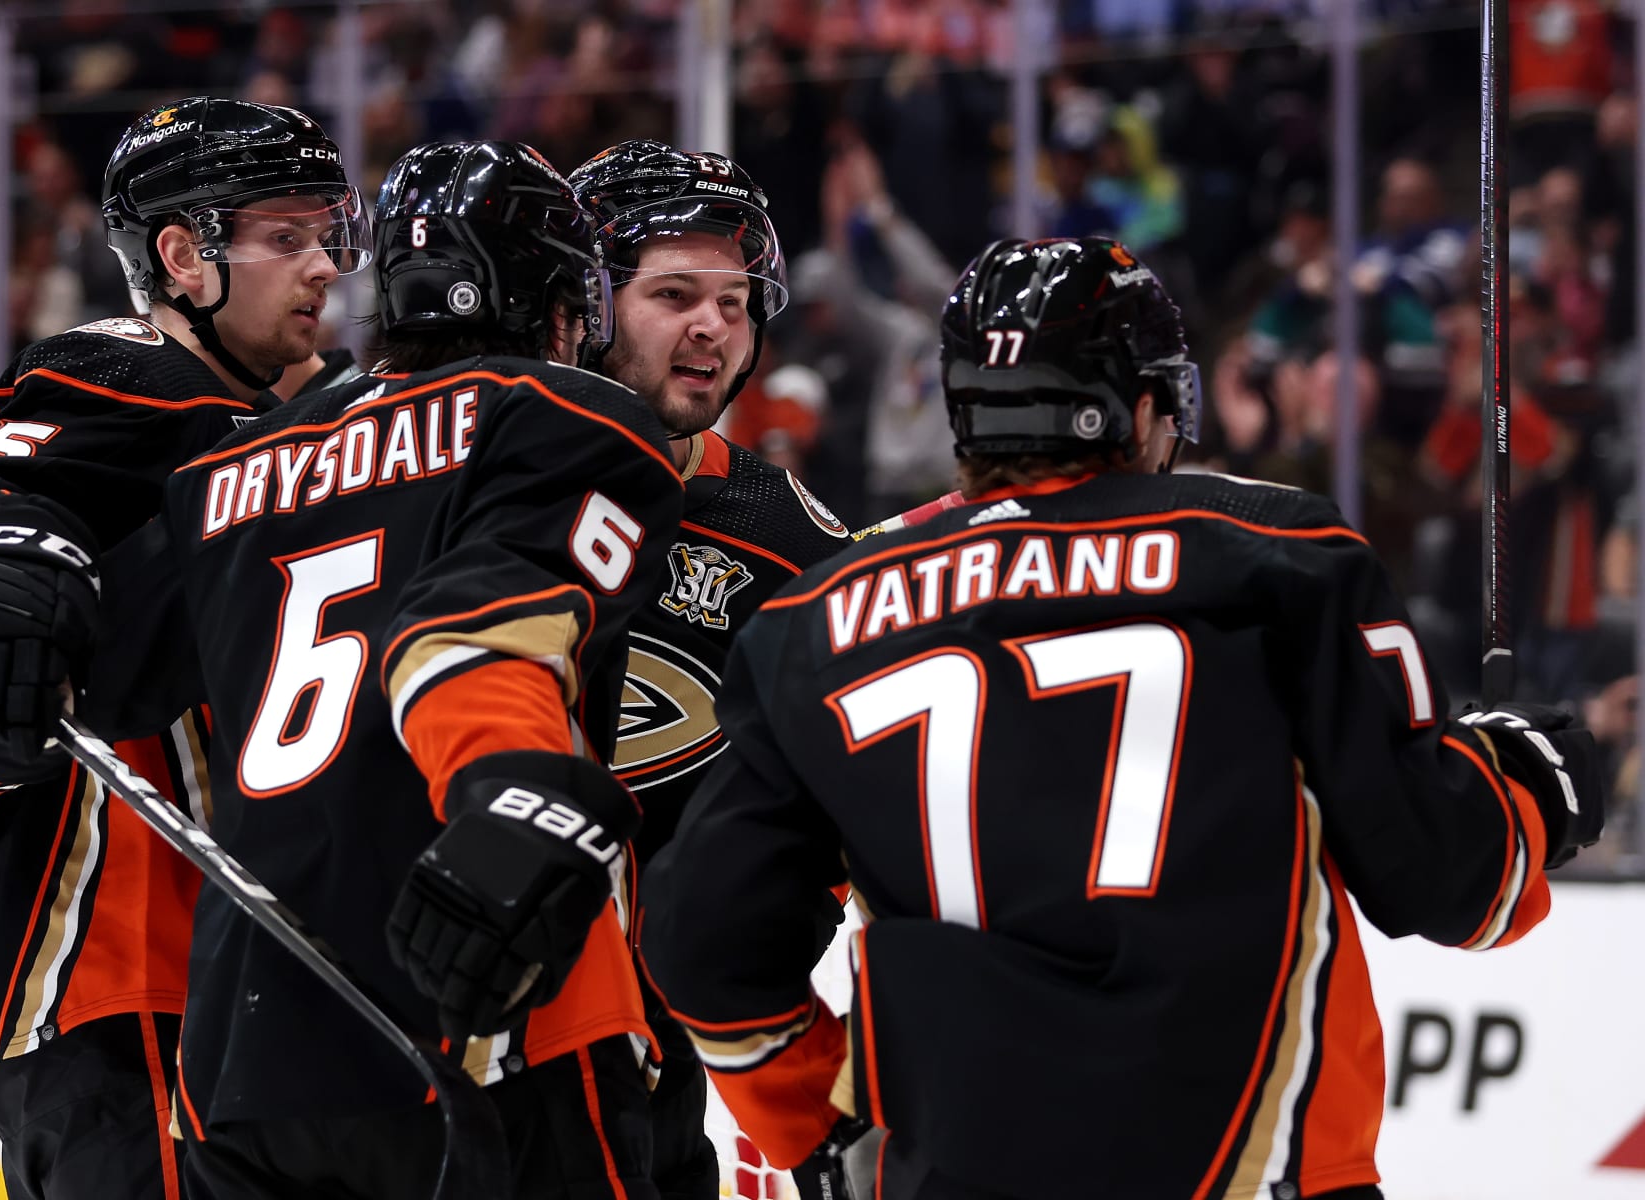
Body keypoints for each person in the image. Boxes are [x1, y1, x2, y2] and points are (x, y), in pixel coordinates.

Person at [638, 237, 1605, 1200]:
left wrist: (820, 1131)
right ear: (1146, 406)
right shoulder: (1277, 552)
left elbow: (701, 947)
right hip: (1244, 1170)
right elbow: (1444, 879)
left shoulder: (814, 619)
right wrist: (1532, 778)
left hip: (955, 1170)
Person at [79, 140, 683, 1199]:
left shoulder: (226, 469)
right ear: (554, 306)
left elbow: (90, 679)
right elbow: (483, 633)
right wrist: (513, 799)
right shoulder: (567, 415)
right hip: (486, 1009)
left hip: (245, 1043)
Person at [0, 96, 367, 1199]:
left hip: (219, 979)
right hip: (99, 962)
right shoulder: (130, 369)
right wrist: (0, 566)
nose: (324, 267)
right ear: (184, 256)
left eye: (330, 235)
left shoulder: (291, 429)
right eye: (286, 237)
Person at [567, 139, 852, 1199]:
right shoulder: (453, 478)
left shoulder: (792, 544)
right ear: (586, 301)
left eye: (736, 302)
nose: (713, 329)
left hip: (650, 1071)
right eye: (675, 294)